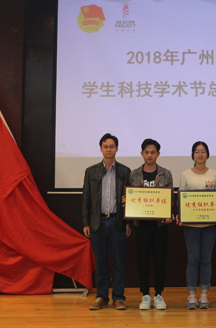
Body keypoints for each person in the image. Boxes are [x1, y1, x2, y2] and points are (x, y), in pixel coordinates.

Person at [82, 133, 131, 311]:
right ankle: (101, 297)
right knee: (100, 262)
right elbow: (86, 198)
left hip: (118, 221)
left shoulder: (125, 171)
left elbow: (130, 199)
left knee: (118, 262)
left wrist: (128, 222)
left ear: (116, 149)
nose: (109, 149)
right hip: (98, 222)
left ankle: (118, 297)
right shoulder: (91, 171)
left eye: (112, 146)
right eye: (105, 146)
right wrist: (86, 222)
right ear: (101, 149)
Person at [129, 138, 173, 311]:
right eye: (146, 152)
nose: (149, 155)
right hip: (141, 226)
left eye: (152, 152)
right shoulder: (134, 174)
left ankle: (159, 294)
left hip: (160, 226)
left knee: (160, 261)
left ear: (158, 154)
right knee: (143, 261)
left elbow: (170, 198)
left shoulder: (166, 173)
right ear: (142, 153)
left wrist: (168, 213)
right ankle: (145, 295)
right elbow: (131, 197)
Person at [178, 141, 216, 310]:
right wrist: (181, 215)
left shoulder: (214, 174)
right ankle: (191, 295)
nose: (200, 154)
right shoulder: (185, 174)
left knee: (206, 259)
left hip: (210, 225)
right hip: (190, 225)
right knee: (193, 259)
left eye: (203, 151)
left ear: (207, 154)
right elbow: (181, 198)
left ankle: (204, 294)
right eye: (197, 151)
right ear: (193, 155)